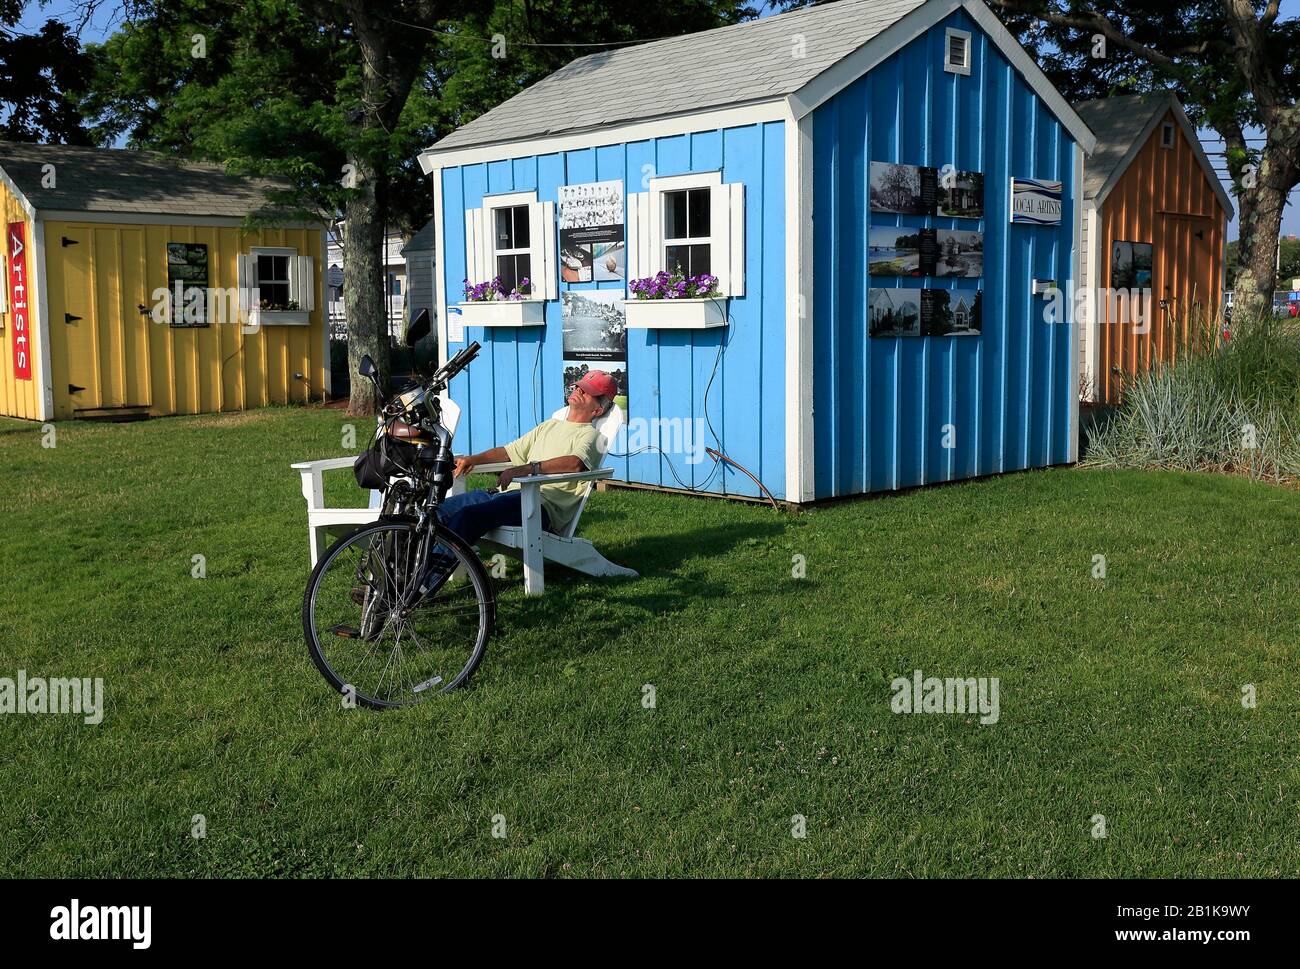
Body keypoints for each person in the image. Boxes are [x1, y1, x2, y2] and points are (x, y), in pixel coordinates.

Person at [437, 369, 619, 553]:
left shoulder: (592, 437)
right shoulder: (549, 426)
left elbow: (574, 463)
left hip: (538, 506)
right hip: (503, 496)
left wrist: (528, 469)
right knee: (437, 512)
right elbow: (509, 451)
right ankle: (413, 571)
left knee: (467, 517)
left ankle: (428, 579)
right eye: (579, 386)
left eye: (588, 391)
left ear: (598, 410)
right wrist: (473, 459)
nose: (579, 390)